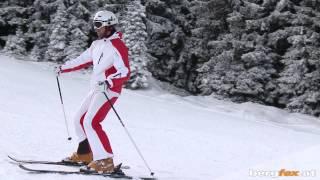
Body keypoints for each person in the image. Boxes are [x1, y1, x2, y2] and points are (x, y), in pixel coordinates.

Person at [56, 10, 130, 173]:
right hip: (96, 89)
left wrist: (109, 82)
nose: (95, 28)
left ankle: (105, 161)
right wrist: (63, 68)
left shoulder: (118, 45)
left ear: (108, 25)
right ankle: (85, 154)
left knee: (92, 122)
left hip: (108, 90)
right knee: (79, 119)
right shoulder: (97, 44)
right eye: (94, 24)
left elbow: (124, 71)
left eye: (98, 25)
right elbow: (82, 60)